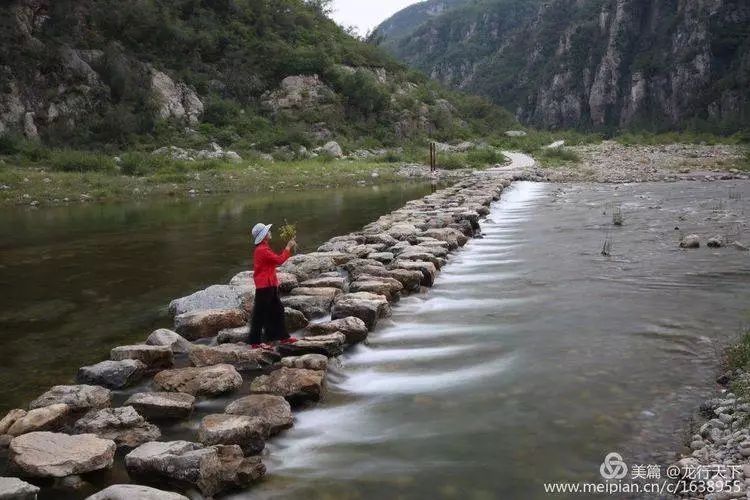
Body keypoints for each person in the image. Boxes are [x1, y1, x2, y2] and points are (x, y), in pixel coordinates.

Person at [248, 222, 298, 349]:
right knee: (260, 314)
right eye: (268, 232)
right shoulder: (262, 250)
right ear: (264, 236)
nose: (270, 233)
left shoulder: (264, 248)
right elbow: (279, 260)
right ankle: (255, 342)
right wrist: (288, 247)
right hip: (264, 286)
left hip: (270, 285)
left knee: (277, 310)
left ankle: (280, 337)